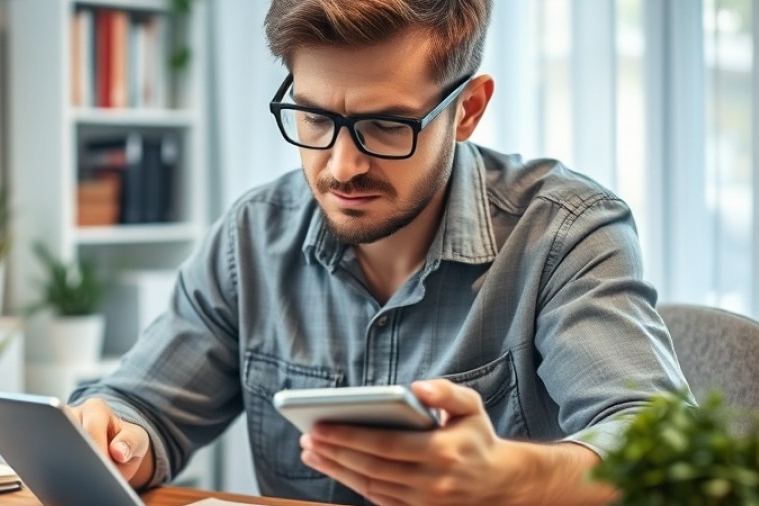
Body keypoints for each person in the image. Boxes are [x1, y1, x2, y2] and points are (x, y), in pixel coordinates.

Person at [69, 1, 691, 504]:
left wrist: (507, 476)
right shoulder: (253, 236)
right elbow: (144, 405)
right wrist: (114, 435)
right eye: (313, 118)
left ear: (467, 109)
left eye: (388, 125)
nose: (342, 167)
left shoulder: (564, 233)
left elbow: (663, 449)